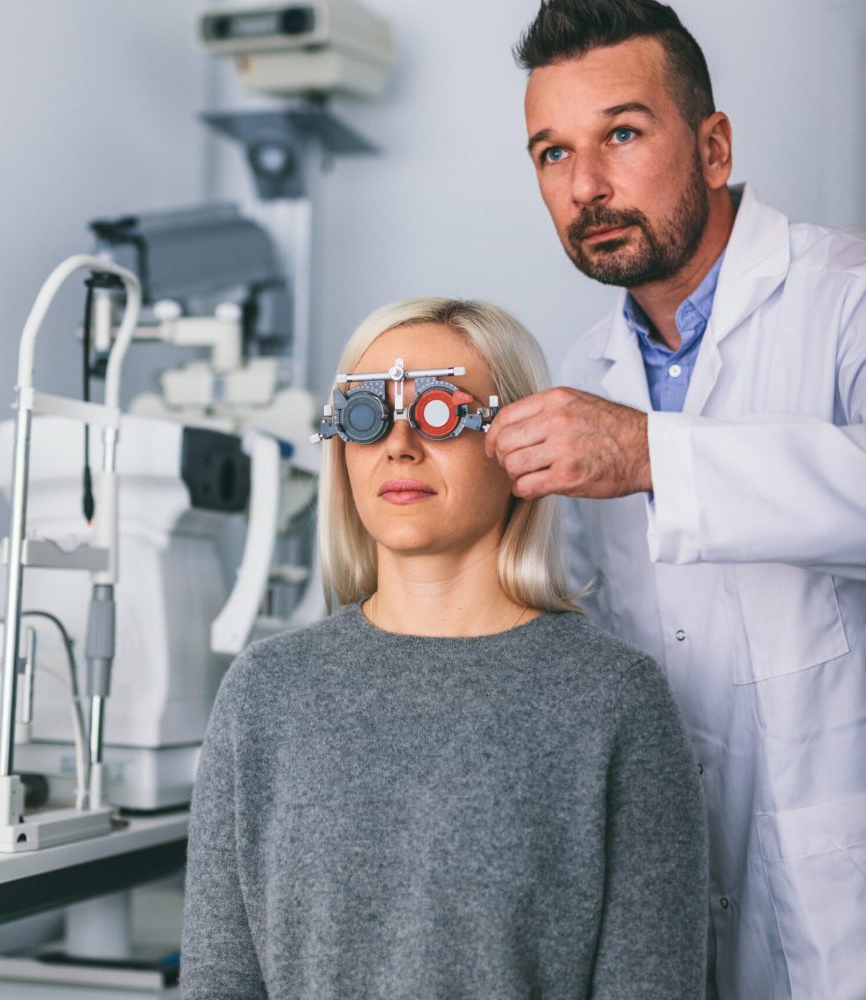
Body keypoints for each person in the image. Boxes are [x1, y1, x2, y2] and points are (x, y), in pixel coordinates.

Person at [485, 2, 866, 999]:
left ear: (711, 143)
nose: (586, 187)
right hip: (677, 886)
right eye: (551, 153)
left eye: (620, 133)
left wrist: (652, 452)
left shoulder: (844, 294)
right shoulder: (585, 369)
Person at [181, 298, 707, 1000]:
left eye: (438, 410)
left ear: (518, 444)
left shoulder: (612, 701)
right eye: (368, 415)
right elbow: (221, 979)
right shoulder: (267, 690)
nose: (399, 445)